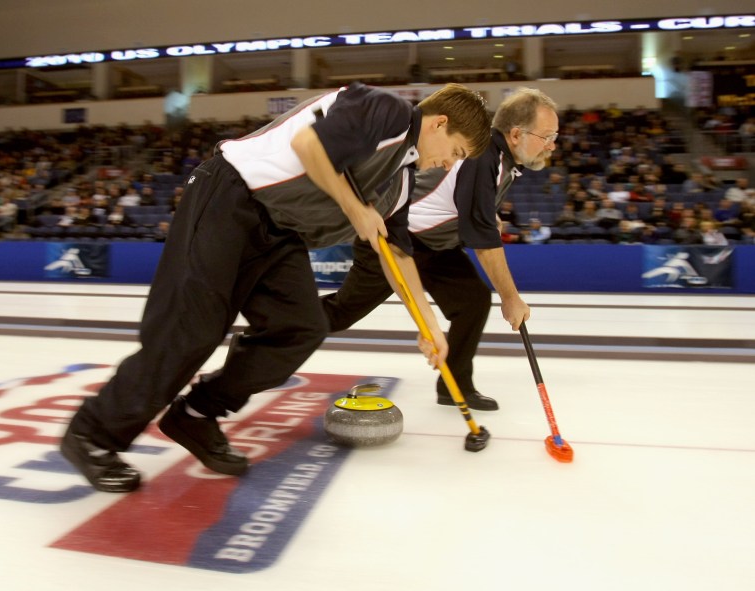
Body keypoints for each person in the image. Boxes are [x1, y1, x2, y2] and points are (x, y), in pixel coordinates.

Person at [60, 82, 492, 492]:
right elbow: (309, 145)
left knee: (301, 327)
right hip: (230, 195)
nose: (449, 164)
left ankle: (196, 413)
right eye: (454, 152)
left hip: (279, 231)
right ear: (437, 123)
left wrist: (428, 322)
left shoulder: (401, 180)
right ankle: (92, 435)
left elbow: (396, 253)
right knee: (190, 329)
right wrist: (355, 208)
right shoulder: (388, 111)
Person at [322, 87, 557, 411]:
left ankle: (455, 386)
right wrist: (511, 298)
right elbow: (485, 244)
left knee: (472, 301)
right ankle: (277, 328)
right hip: (394, 237)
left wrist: (489, 213)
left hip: (434, 245)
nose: (552, 144)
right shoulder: (485, 155)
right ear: (516, 134)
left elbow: (470, 206)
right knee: (342, 311)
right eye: (547, 135)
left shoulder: (500, 159)